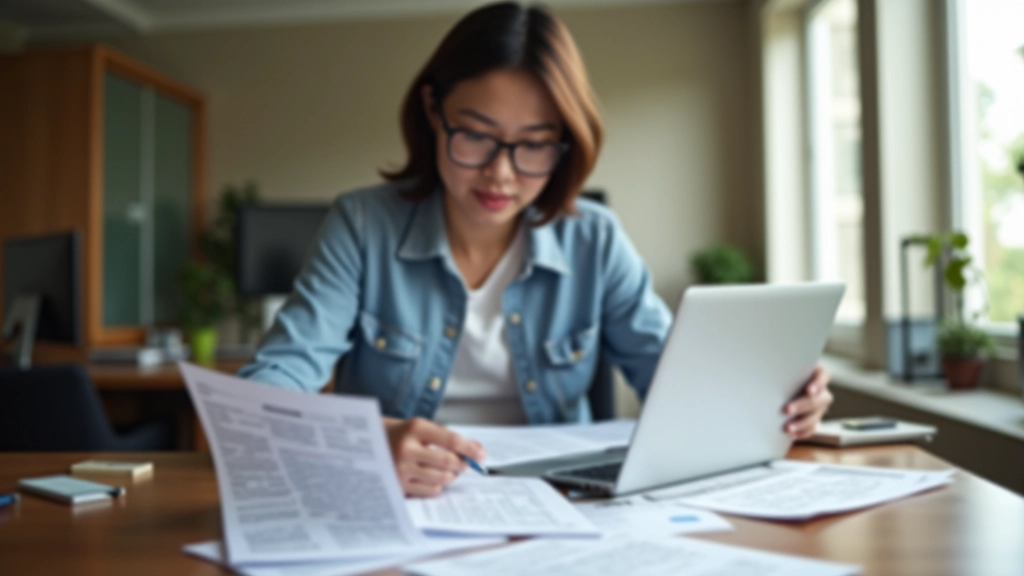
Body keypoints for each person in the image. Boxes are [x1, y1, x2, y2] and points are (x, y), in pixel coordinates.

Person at [238, 1, 833, 498]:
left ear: (566, 145)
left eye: (535, 146)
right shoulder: (363, 225)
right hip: (409, 503)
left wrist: (774, 401)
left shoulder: (595, 239)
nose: (500, 174)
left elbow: (678, 384)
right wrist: (364, 445)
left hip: (563, 507)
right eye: (474, 135)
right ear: (431, 110)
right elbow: (269, 389)